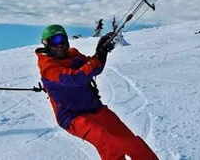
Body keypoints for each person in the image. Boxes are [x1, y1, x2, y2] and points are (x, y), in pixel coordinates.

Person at [35, 24, 158, 159]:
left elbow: (93, 67)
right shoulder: (48, 67)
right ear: (46, 44)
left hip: (95, 108)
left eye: (63, 39)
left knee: (130, 142)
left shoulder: (74, 54)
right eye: (55, 41)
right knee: (107, 142)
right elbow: (76, 78)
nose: (61, 44)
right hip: (73, 117)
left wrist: (101, 52)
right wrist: (98, 57)